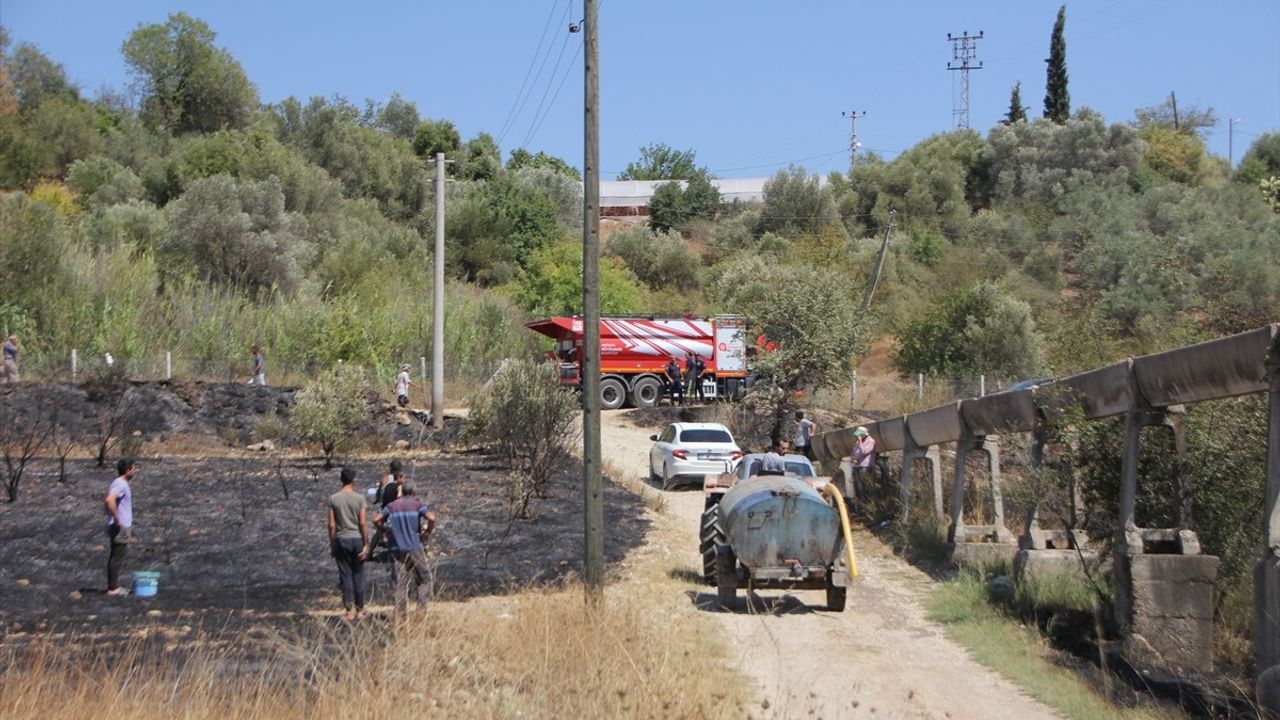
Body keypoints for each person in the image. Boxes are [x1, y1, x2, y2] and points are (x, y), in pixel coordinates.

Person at [368, 480, 436, 615]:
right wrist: (427, 532)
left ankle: (400, 613)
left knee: (399, 582)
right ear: (414, 492)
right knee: (424, 578)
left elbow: (376, 519)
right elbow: (432, 518)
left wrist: (384, 530)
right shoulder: (417, 505)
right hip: (414, 547)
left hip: (396, 548)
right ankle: (421, 610)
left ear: (402, 491)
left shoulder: (392, 506)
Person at [103, 458, 138, 597]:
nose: (135, 471)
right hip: (120, 526)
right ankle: (113, 589)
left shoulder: (119, 483)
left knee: (117, 555)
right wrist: (117, 517)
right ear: (128, 470)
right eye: (134, 468)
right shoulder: (120, 484)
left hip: (120, 525)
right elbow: (109, 500)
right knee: (117, 556)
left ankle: (113, 586)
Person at [849, 426, 877, 505]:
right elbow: (854, 452)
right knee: (857, 486)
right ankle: (859, 503)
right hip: (856, 466)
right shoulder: (858, 442)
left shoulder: (871, 441)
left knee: (865, 486)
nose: (857, 436)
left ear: (863, 434)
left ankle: (867, 503)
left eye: (859, 435)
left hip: (865, 466)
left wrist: (860, 442)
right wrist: (853, 458)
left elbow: (865, 451)